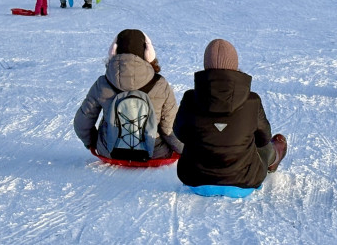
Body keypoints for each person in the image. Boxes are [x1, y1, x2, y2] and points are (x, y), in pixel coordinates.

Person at [173, 39, 287, 190]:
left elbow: (180, 134)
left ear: (206, 65)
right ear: (234, 64)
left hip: (196, 176)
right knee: (265, 148)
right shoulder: (252, 101)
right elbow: (263, 138)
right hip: (245, 178)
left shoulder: (190, 99)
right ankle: (275, 157)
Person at [75, 30, 182, 162]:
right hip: (154, 153)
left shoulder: (103, 83)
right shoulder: (160, 84)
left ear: (113, 52)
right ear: (148, 54)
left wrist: (93, 143)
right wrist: (184, 150)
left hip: (110, 151)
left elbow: (82, 123)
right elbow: (169, 128)